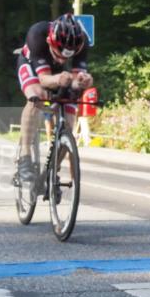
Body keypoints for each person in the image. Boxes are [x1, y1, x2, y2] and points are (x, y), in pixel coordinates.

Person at [15, 13, 93, 183]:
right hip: (31, 66)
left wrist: (83, 81)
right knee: (37, 97)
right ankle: (24, 158)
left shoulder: (82, 42)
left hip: (61, 75)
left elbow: (75, 81)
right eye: (58, 54)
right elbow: (44, 80)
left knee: (69, 121)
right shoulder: (37, 34)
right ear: (50, 41)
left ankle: (52, 171)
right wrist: (59, 79)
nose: (62, 59)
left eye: (67, 57)